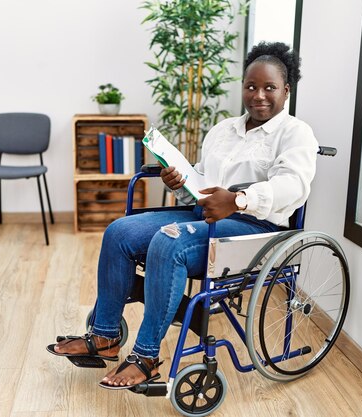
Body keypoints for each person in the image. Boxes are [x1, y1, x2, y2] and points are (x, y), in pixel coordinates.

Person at [47, 41, 319, 390]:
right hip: (202, 214)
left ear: (286, 90)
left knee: (169, 242)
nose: (259, 95)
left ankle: (146, 358)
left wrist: (237, 200)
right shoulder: (224, 130)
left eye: (269, 87)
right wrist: (178, 181)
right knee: (119, 232)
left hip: (253, 228)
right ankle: (105, 337)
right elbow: (203, 180)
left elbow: (293, 186)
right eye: (251, 86)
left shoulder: (296, 133)